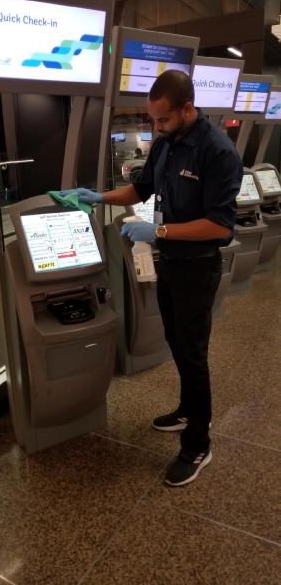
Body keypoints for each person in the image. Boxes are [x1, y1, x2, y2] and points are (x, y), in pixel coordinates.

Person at [60, 69, 243, 487]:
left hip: (198, 267)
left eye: (163, 120)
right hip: (170, 264)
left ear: (188, 109)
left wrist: (158, 232)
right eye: (152, 121)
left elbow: (219, 226)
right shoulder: (165, 145)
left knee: (194, 354)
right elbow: (141, 190)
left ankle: (198, 444)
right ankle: (186, 410)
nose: (155, 128)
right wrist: (97, 196)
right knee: (176, 341)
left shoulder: (218, 153)